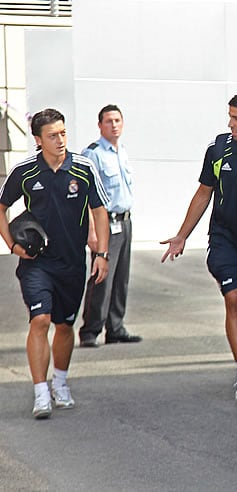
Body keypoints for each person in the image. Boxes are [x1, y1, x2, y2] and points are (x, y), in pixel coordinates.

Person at [161, 92, 237, 404]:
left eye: (236, 118)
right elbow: (203, 193)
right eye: (230, 117)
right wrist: (182, 235)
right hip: (225, 240)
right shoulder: (219, 150)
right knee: (235, 298)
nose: (230, 123)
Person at [0, 108, 110, 419]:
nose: (60, 140)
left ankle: (60, 383)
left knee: (64, 326)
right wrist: (12, 245)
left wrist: (101, 254)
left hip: (73, 263)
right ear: (38, 140)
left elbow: (100, 211)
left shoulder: (84, 168)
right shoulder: (25, 171)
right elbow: (2, 206)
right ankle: (40, 393)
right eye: (52, 136)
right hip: (37, 263)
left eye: (63, 133)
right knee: (41, 320)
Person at [79, 104, 142, 347]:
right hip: (106, 224)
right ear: (100, 125)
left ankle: (115, 328)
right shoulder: (93, 154)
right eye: (108, 121)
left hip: (125, 221)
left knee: (120, 278)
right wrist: (91, 231)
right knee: (101, 277)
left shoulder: (120, 152)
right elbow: (85, 197)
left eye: (117, 120)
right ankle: (90, 331)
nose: (114, 125)